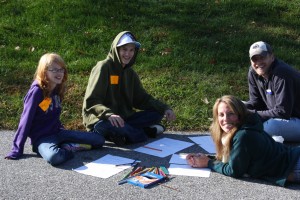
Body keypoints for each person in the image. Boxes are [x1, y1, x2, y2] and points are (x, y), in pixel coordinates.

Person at [5, 53, 105, 166]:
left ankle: (66, 145)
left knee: (99, 140)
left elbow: (52, 115)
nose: (59, 73)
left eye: (61, 69)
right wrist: (17, 149)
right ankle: (66, 149)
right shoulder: (37, 92)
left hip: (59, 132)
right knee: (54, 157)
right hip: (42, 138)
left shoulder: (57, 87)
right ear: (44, 71)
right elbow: (25, 120)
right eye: (54, 70)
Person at [82, 31, 176, 145]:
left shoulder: (130, 73)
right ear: (116, 49)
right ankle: (143, 133)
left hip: (124, 118)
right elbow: (92, 101)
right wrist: (109, 114)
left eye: (131, 50)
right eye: (124, 49)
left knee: (157, 112)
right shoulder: (103, 67)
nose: (128, 54)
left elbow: (142, 98)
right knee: (107, 126)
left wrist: (165, 108)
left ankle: (122, 134)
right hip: (102, 119)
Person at [186, 95, 300, 187]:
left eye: (231, 114)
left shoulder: (243, 135)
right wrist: (205, 158)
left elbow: (234, 170)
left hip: (295, 165)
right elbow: (236, 158)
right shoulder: (247, 126)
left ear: (240, 114)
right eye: (221, 115)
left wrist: (208, 163)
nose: (225, 119)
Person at [244, 41, 300, 142]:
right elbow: (255, 102)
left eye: (262, 57)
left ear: (272, 57)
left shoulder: (282, 74)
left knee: (271, 127)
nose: (259, 62)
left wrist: (250, 114)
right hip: (280, 118)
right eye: (255, 59)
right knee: (234, 106)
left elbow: (282, 112)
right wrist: (238, 109)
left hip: (295, 119)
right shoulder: (253, 72)